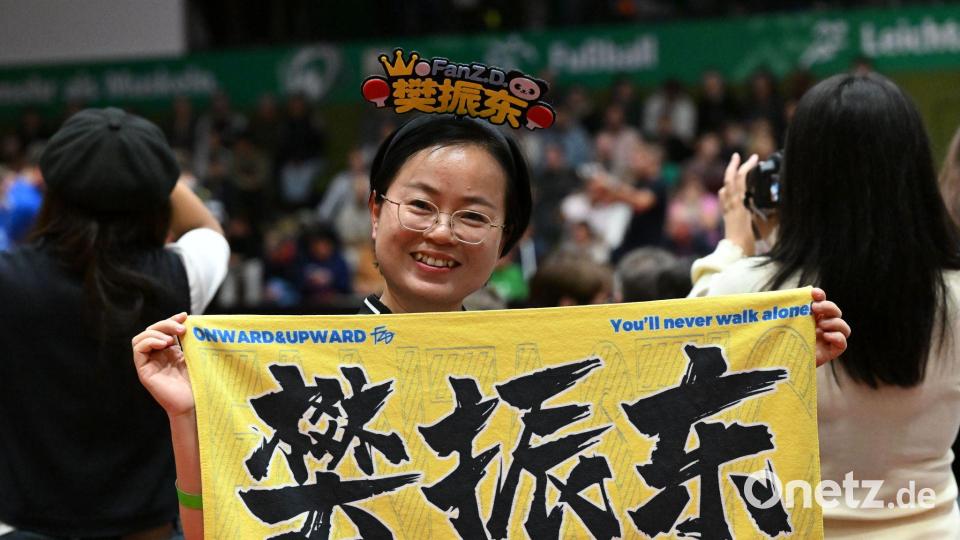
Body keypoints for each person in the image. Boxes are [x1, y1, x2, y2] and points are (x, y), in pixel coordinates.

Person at [132, 115, 847, 539]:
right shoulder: (303, 371)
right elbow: (218, 529)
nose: (442, 232)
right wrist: (188, 418)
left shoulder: (543, 369)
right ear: (375, 212)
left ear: (506, 241)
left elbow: (651, 475)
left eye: (474, 215)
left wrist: (774, 361)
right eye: (420, 205)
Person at [690, 72, 958, 537]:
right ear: (915, 169)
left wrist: (735, 244)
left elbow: (679, 352)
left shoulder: (746, 289)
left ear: (799, 175)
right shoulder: (952, 290)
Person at [0, 108, 230, 538]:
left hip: (27, 526)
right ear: (158, 199)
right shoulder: (183, 275)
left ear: (52, 190)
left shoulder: (8, 278)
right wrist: (145, 169)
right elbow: (207, 227)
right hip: (147, 527)